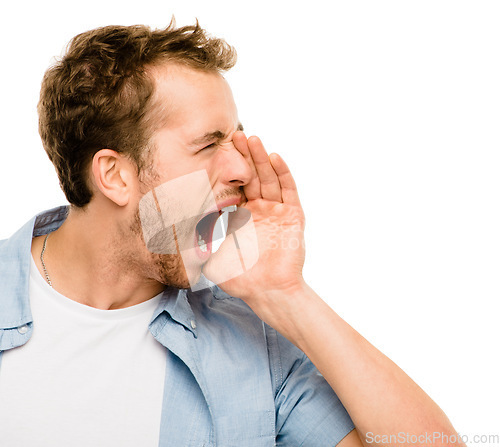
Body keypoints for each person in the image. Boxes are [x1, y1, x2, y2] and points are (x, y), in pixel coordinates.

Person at [0, 21, 462, 447]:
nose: (241, 168)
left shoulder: (252, 349)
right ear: (115, 176)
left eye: (236, 140)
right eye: (208, 144)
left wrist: (285, 294)